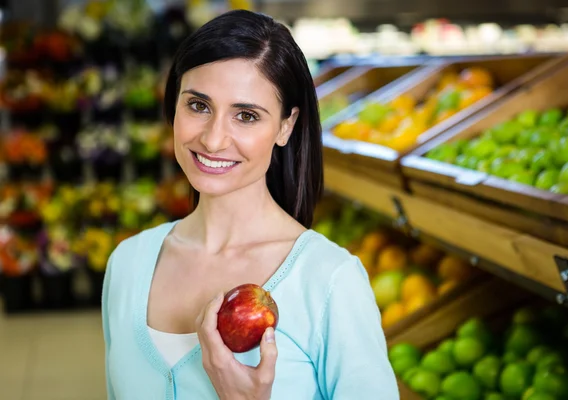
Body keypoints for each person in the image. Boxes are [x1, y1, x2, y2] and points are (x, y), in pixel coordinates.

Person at [101, 9, 399, 400]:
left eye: (245, 115)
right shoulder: (127, 263)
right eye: (198, 106)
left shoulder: (330, 281)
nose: (213, 139)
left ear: (285, 126)